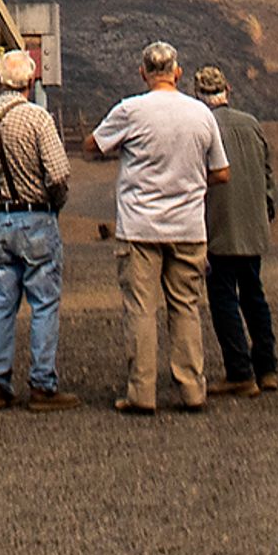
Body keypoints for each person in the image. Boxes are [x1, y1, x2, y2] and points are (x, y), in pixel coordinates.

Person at [86, 40, 227, 414]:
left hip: (139, 227)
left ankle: (141, 391)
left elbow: (94, 145)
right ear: (178, 72)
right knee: (186, 307)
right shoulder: (201, 115)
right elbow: (221, 171)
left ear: (142, 72)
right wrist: (190, 183)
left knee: (141, 309)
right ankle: (192, 388)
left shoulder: (130, 110)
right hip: (188, 226)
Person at [0, 48, 74, 410]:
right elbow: (59, 173)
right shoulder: (38, 118)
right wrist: (55, 204)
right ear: (30, 81)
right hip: (37, 216)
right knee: (44, 303)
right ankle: (42, 384)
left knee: (1, 303)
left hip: (0, 219)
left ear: (0, 79)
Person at [194, 63, 278, 396]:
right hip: (253, 225)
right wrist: (265, 209)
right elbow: (268, 172)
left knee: (223, 298)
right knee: (254, 295)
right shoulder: (252, 124)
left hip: (218, 228)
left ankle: (240, 371)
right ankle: (267, 367)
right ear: (228, 89)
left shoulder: (202, 128)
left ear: (198, 95)